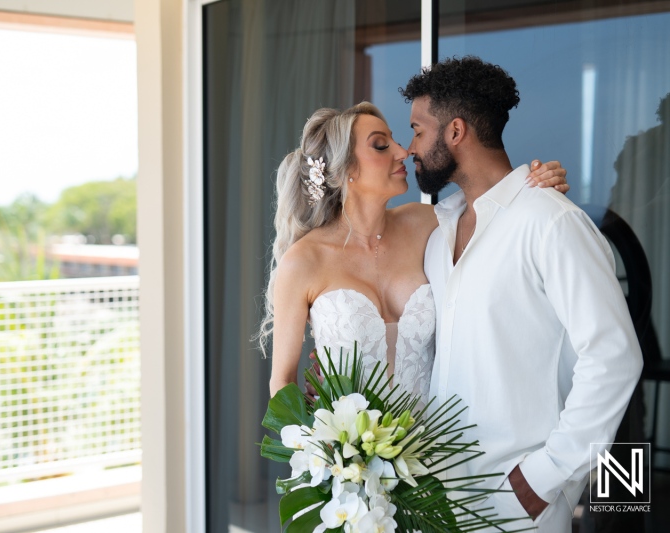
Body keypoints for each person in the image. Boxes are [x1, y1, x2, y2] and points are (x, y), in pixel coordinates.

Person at [400, 56, 643, 532]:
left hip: (518, 504)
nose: (410, 148)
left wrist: (544, 476)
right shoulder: (437, 231)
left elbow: (614, 357)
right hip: (438, 497)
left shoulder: (550, 222)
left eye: (416, 130)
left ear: (454, 132)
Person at [263, 101, 567, 404]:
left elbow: (492, 206)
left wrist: (534, 183)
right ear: (346, 170)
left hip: (441, 444)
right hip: (350, 448)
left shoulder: (427, 224)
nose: (402, 151)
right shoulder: (304, 261)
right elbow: (282, 383)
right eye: (381, 146)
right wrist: (325, 443)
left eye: (395, 140)